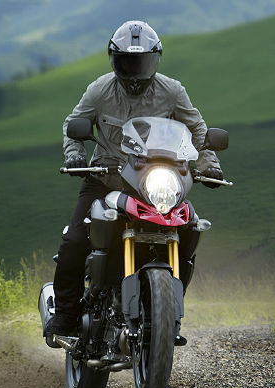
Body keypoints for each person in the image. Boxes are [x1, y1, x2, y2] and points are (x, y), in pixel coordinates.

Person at [45, 20, 224, 336]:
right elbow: (74, 124)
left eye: (141, 62)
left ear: (155, 60)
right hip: (105, 180)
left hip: (154, 184)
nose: (135, 69)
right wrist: (75, 155)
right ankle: (66, 316)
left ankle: (163, 310)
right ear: (114, 60)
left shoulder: (172, 91)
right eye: (127, 61)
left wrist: (209, 163)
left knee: (189, 228)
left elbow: (198, 129)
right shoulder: (99, 90)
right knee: (74, 240)